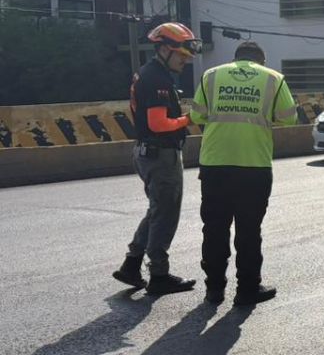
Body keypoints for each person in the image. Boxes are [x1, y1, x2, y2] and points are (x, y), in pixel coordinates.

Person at [191, 42, 298, 306]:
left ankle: (214, 289)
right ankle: (247, 289)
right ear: (261, 61)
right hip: (254, 165)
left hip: (215, 164)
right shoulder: (273, 78)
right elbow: (289, 118)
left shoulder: (211, 75)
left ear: (236, 59)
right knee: (249, 229)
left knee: (214, 227)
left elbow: (196, 115)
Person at [113, 23, 200, 295]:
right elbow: (159, 123)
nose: (185, 61)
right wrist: (191, 118)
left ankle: (131, 264)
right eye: (181, 56)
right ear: (164, 49)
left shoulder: (151, 73)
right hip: (160, 154)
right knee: (165, 213)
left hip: (148, 152)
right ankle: (159, 275)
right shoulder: (158, 79)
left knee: (156, 210)